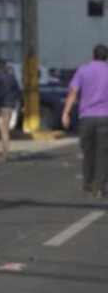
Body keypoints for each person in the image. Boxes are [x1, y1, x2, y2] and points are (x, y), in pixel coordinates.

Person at [62, 45, 108, 198]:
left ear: (93, 56)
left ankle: (88, 182)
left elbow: (73, 92)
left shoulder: (83, 70)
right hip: (105, 117)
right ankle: (99, 187)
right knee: (103, 153)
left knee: (88, 151)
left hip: (86, 117)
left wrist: (66, 113)